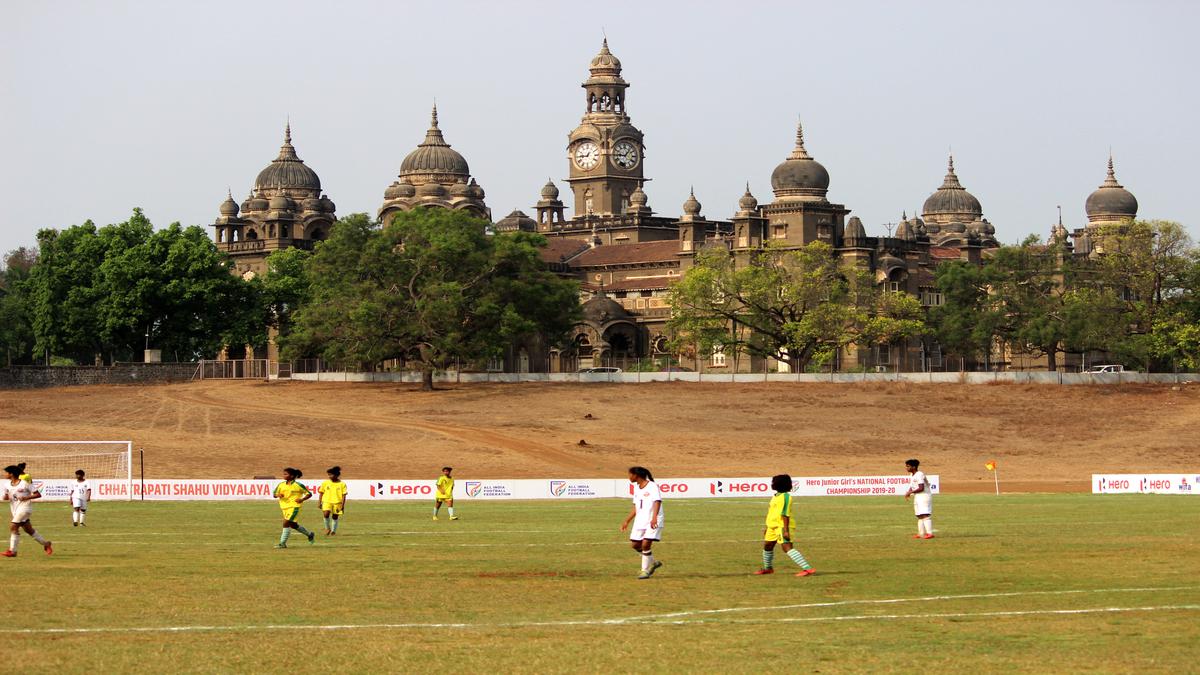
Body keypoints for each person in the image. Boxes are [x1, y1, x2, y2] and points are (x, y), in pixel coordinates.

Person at [754, 474, 815, 576]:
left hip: (782, 526)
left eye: (773, 482)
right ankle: (768, 568)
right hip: (772, 526)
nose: (772, 484)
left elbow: (785, 514)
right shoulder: (775, 496)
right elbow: (771, 513)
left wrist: (786, 530)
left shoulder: (786, 497)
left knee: (787, 547)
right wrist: (767, 527)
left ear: (779, 484)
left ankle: (807, 569)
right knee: (767, 546)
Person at [620, 466, 663, 579]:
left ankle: (645, 571)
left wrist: (654, 517)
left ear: (636, 475)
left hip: (653, 519)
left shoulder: (652, 486)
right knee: (635, 544)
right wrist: (627, 520)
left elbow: (657, 501)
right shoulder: (637, 488)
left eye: (630, 474)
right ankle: (653, 562)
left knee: (645, 544)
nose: (629, 477)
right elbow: (636, 507)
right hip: (641, 519)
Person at [2, 465, 52, 557]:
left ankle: (12, 551)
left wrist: (26, 497)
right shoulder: (7, 485)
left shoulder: (25, 483)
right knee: (29, 530)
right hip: (15, 510)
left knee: (13, 527)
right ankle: (46, 544)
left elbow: (38, 494)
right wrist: (6, 496)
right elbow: (5, 497)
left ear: (11, 474)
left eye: (7, 473)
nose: (5, 475)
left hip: (25, 509)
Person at [273, 467, 315, 548]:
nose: (284, 475)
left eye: (286, 474)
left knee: (286, 523)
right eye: (284, 474)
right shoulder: (281, 484)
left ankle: (282, 544)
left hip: (294, 507)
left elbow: (309, 494)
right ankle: (309, 534)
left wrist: (302, 499)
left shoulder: (298, 485)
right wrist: (278, 495)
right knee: (293, 525)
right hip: (284, 507)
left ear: (292, 476)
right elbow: (274, 494)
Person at [904, 459, 934, 539]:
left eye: (908, 466)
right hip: (917, 496)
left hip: (924, 496)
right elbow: (913, 485)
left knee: (925, 514)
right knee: (919, 515)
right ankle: (921, 534)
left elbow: (921, 488)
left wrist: (910, 492)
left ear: (914, 467)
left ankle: (930, 533)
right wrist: (909, 492)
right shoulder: (912, 475)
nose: (906, 468)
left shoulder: (919, 474)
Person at [319, 466, 348, 535]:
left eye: (331, 475)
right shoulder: (325, 483)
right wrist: (319, 502)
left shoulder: (342, 484)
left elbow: (344, 495)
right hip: (326, 501)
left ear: (336, 475)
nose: (329, 476)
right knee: (326, 514)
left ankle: (333, 531)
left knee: (335, 516)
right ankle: (327, 528)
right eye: (328, 475)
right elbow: (321, 493)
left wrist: (342, 506)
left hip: (337, 502)